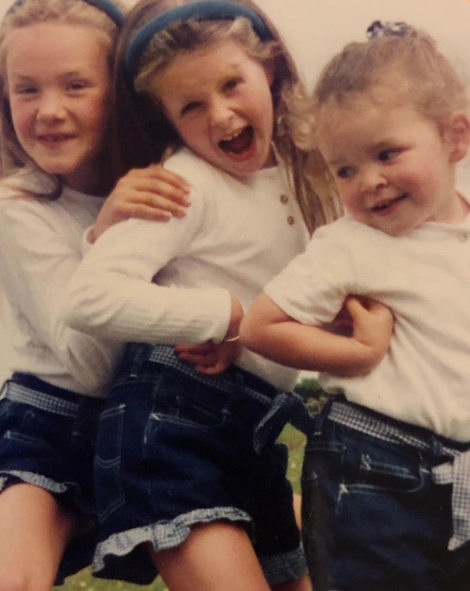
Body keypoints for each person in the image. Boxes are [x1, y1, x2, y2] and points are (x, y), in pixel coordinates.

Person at [61, 1, 394, 589]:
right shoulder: (184, 184)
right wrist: (228, 315)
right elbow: (88, 297)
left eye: (231, 84)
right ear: (166, 118)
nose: (220, 115)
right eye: (190, 106)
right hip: (170, 426)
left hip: (252, 430)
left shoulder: (306, 171)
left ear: (270, 67)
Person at [240, 20, 470, 591]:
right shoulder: (351, 243)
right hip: (374, 466)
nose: (368, 182)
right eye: (345, 169)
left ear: (455, 137)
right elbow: (261, 325)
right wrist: (357, 352)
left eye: (386, 153)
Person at [0, 0, 190, 589]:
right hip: (52, 422)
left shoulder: (173, 184)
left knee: (288, 549)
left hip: (158, 421)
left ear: (123, 93)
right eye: (26, 89)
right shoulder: (20, 209)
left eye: (76, 85)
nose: (49, 110)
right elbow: (90, 368)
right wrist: (104, 239)